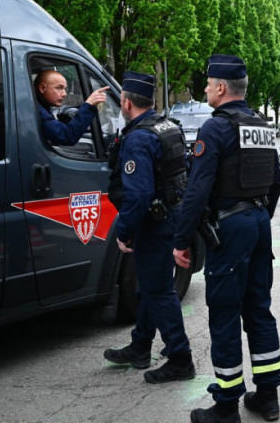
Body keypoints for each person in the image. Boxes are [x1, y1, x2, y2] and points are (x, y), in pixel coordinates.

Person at [172, 55, 280, 423]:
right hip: (258, 222)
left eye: (207, 84)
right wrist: (258, 218)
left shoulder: (215, 128)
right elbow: (277, 182)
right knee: (258, 308)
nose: (205, 89)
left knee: (224, 313)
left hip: (230, 227)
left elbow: (197, 189)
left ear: (221, 88)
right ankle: (267, 397)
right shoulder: (262, 126)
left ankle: (226, 407)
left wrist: (181, 239)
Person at [102, 72, 195, 384]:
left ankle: (180, 358)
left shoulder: (139, 137)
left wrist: (124, 231)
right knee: (149, 287)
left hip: (154, 224)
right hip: (172, 215)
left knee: (158, 290)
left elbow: (138, 194)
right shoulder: (169, 127)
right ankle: (141, 346)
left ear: (126, 103)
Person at [34, 69, 108, 146]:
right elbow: (66, 136)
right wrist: (88, 106)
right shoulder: (38, 111)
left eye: (65, 89)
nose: (65, 94)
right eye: (59, 88)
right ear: (42, 88)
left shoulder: (39, 106)